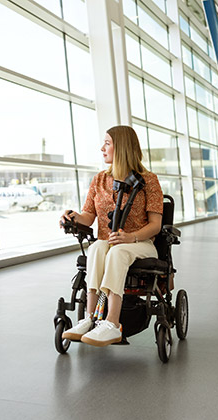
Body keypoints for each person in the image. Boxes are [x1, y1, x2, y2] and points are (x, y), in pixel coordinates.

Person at [59, 125, 163, 347]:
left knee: (117, 251)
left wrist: (131, 237)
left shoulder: (148, 181)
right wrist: (73, 217)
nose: (102, 148)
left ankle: (112, 323)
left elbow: (155, 225)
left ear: (122, 147)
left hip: (141, 244)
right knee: (97, 247)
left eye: (107, 143)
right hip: (108, 243)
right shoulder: (99, 180)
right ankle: (90, 318)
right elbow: (88, 216)